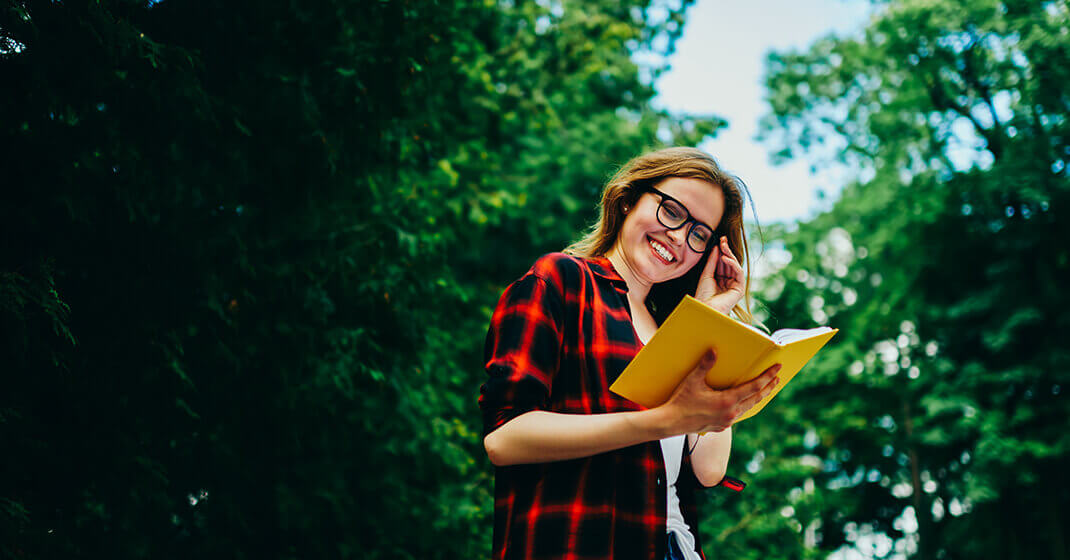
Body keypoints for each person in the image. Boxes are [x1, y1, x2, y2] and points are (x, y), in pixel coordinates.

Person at [479, 147, 782, 560]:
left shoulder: (673, 330)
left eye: (699, 235)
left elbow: (709, 470)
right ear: (627, 200)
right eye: (672, 211)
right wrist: (663, 420)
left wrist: (712, 321)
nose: (679, 236)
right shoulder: (561, 281)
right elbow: (504, 438)